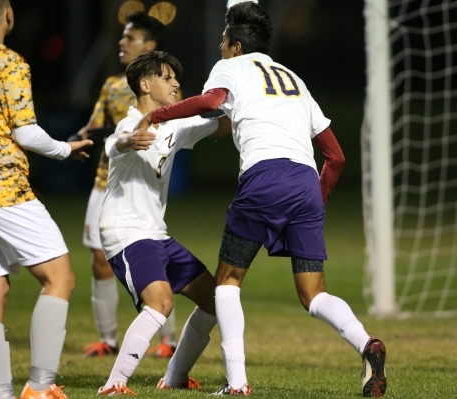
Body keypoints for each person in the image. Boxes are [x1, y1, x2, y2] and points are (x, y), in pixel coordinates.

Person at [134, 2, 388, 397]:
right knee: (313, 293)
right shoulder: (295, 79)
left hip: (264, 176)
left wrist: (161, 114)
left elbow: (212, 100)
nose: (220, 47)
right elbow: (335, 157)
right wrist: (315, 201)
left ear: (235, 45)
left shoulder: (231, 67)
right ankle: (366, 343)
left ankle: (237, 384)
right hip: (305, 181)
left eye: (222, 41)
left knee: (227, 283)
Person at [0, 1, 93, 398]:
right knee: (59, 278)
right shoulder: (9, 62)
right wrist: (65, 149)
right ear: (7, 13)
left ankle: (1, 394)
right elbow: (25, 134)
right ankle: (40, 387)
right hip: (1, 188)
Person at [95, 51, 232, 396]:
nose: (176, 83)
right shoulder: (132, 123)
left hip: (156, 234)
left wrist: (249, 105)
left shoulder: (174, 124)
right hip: (125, 232)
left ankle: (174, 376)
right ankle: (114, 384)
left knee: (219, 301)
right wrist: (127, 140)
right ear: (145, 84)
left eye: (175, 78)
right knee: (161, 302)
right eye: (167, 77)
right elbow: (115, 143)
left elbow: (224, 125)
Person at [74, 11, 178, 358]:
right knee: (99, 261)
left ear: (149, 45)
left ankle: (169, 339)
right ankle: (108, 338)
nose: (121, 43)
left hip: (141, 187)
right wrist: (79, 139)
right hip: (106, 182)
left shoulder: (166, 89)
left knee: (156, 260)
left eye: (129, 38)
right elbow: (94, 125)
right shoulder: (111, 85)